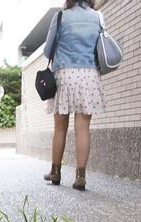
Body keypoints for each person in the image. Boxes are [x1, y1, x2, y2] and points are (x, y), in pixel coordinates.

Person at [42, 0, 107, 190]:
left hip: (64, 74)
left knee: (60, 128)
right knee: (83, 129)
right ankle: (80, 177)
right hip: (89, 75)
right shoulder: (98, 17)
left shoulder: (61, 17)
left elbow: (47, 51)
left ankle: (55, 172)